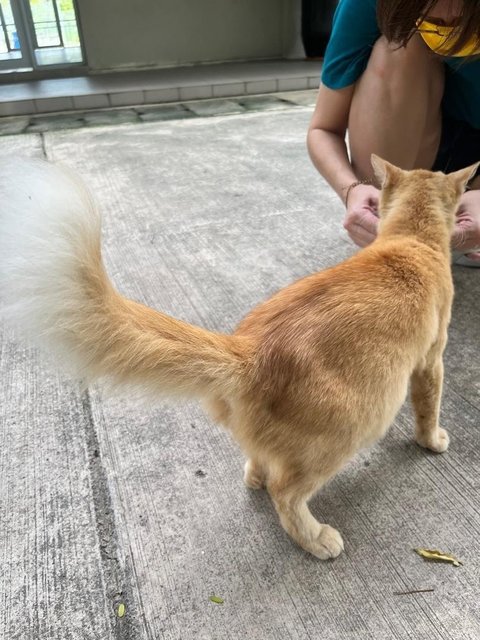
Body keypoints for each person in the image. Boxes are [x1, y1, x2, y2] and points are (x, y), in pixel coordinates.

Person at [307, 0, 480, 265]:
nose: (450, 15)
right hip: (423, 143)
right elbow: (323, 129)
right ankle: (393, 224)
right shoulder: (367, 4)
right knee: (397, 48)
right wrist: (353, 190)